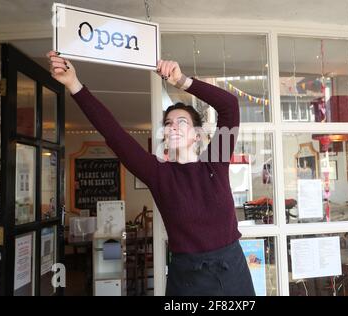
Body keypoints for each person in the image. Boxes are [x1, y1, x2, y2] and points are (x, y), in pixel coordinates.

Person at [46, 51, 255, 296]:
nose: (173, 127)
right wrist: (74, 84)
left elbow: (229, 106)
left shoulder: (214, 163)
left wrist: (181, 81)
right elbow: (114, 134)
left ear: (197, 135)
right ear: (164, 136)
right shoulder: (159, 174)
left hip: (233, 273)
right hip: (188, 281)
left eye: (182, 122)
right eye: (168, 124)